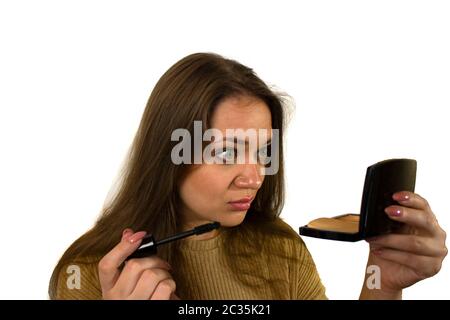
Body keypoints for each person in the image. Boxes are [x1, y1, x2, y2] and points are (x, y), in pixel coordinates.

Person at [49, 52, 447, 300]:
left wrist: (384, 283)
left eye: (262, 152)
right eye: (226, 152)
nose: (254, 177)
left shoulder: (279, 247)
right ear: (168, 154)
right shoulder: (90, 274)